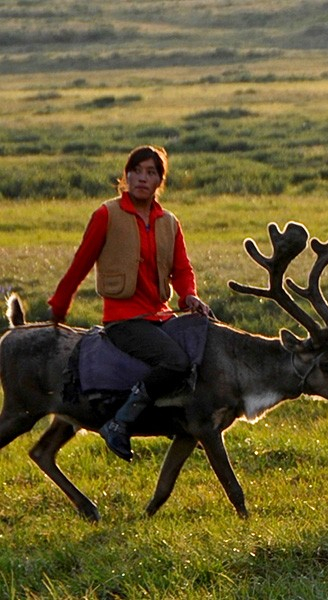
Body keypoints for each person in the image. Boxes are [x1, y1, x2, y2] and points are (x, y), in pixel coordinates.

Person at [48, 145, 211, 462]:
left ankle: (189, 421)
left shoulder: (169, 222)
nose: (143, 178)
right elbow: (81, 263)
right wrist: (60, 303)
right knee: (176, 361)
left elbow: (182, 269)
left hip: (161, 316)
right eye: (137, 171)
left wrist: (189, 295)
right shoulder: (106, 215)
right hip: (124, 320)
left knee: (205, 342)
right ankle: (119, 423)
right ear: (126, 176)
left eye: (151, 173)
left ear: (159, 182)